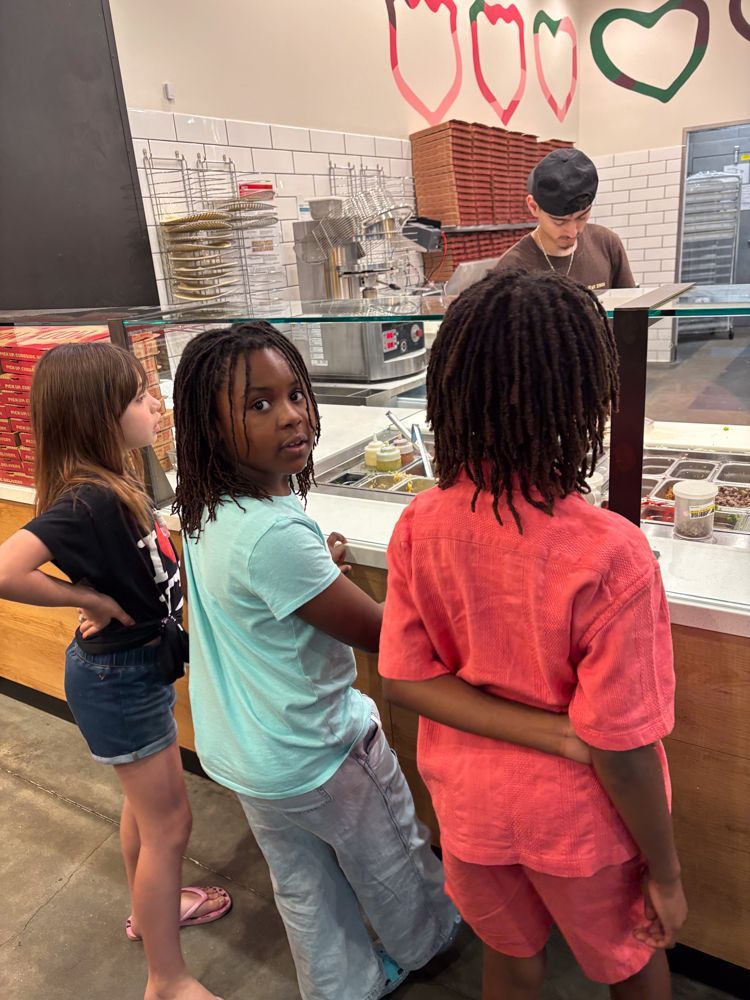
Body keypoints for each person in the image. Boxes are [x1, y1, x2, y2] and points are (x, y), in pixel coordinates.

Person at [171, 321, 592, 1000]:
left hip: (246, 754)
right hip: (319, 751)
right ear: (209, 425)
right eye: (259, 404)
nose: (291, 416)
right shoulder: (277, 534)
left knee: (304, 886)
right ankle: (426, 944)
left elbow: (256, 593)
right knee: (393, 856)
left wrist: (319, 573)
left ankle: (343, 988)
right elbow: (384, 636)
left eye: (294, 395)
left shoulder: (208, 507)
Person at [378, 270, 686, 1000]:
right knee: (633, 958)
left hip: (470, 812)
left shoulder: (420, 523)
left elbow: (405, 678)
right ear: (585, 397)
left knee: (510, 959)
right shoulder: (612, 555)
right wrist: (667, 875)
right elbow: (624, 747)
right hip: (580, 828)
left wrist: (547, 735)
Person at [0, 343, 230, 1000]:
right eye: (138, 397)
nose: (153, 404)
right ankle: (167, 979)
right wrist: (86, 598)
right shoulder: (87, 502)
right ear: (97, 415)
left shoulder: (112, 483)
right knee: (170, 824)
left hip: (136, 673)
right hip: (118, 680)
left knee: (147, 813)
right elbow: (5, 569)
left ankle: (149, 908)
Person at [494, 147, 636, 290]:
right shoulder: (510, 270)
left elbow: (632, 309)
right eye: (559, 222)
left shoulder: (607, 243)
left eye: (582, 217)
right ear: (533, 207)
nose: (572, 232)